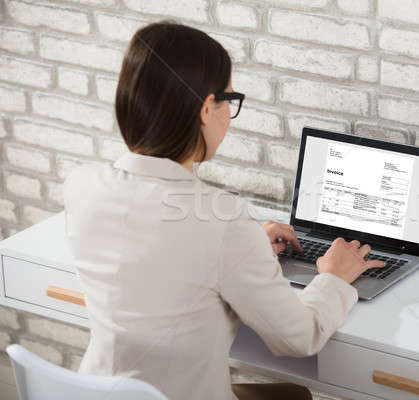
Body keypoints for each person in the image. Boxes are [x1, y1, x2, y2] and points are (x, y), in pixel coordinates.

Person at [64, 21, 384, 400]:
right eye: (229, 101)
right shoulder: (223, 220)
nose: (229, 114)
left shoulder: (81, 184)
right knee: (294, 395)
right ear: (205, 109)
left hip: (96, 392)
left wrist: (245, 249)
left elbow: (159, 257)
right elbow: (299, 338)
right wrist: (333, 276)